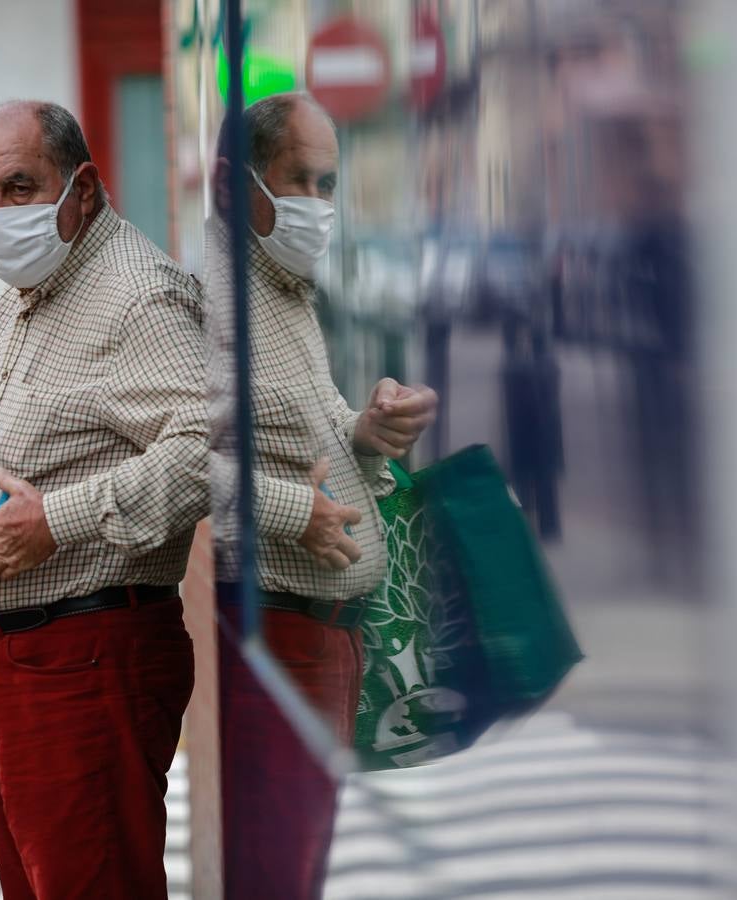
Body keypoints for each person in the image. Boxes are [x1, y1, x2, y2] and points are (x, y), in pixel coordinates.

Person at [0, 100, 209, 899]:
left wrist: (56, 522)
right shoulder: (28, 292)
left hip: (85, 658)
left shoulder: (139, 295)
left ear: (85, 190)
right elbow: (37, 447)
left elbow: (211, 449)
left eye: (20, 187)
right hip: (15, 660)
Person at [208, 93, 438, 896]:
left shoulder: (281, 286)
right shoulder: (214, 296)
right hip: (273, 635)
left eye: (327, 182)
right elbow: (179, 466)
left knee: (298, 867)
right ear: (238, 185)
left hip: (317, 636)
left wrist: (367, 433)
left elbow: (305, 433)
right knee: (277, 872)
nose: (317, 203)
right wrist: (292, 509)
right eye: (298, 179)